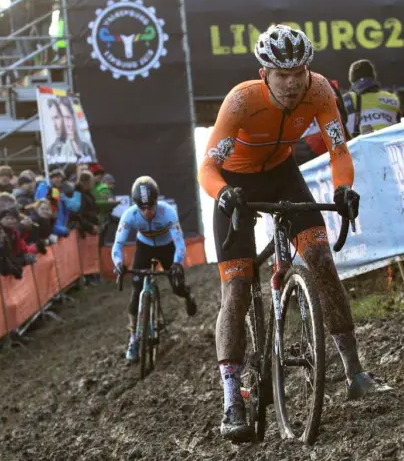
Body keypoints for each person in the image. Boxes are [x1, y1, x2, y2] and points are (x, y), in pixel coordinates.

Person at [197, 24, 389, 442]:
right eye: (281, 75)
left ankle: (355, 372)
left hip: (283, 176)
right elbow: (208, 168)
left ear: (308, 70)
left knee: (321, 260)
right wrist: (223, 194)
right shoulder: (242, 101)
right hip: (235, 184)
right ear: (264, 73)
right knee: (237, 289)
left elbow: (339, 150)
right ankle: (232, 400)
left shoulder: (320, 93)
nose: (290, 83)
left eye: (297, 72)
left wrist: (343, 189)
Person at [112, 176, 196, 363]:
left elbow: (180, 243)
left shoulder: (168, 213)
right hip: (145, 247)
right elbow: (117, 245)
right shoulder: (130, 215)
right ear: (136, 205)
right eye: (142, 207)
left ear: (157, 201)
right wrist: (118, 263)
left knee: (177, 287)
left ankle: (188, 295)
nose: (147, 211)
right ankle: (133, 338)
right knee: (135, 292)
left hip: (167, 248)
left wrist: (176, 263)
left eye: (151, 206)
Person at [342, 59, 401, 138]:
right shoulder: (392, 98)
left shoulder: (348, 99)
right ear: (373, 76)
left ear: (352, 79)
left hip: (360, 146)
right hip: (389, 145)